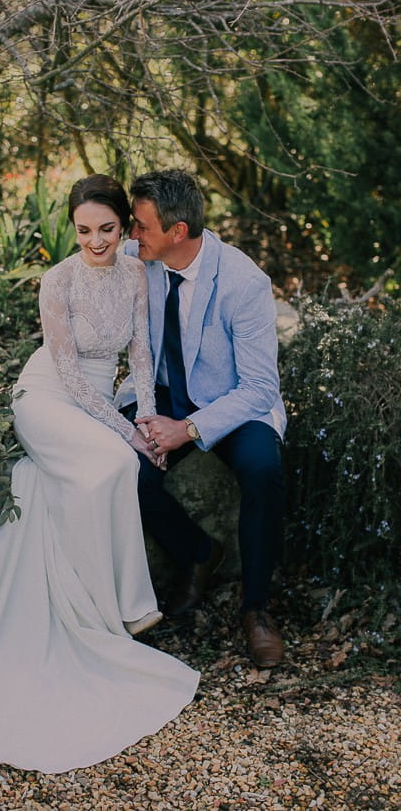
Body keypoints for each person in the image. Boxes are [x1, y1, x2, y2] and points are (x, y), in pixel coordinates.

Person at [0, 174, 199, 773]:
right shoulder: (59, 280)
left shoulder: (135, 275)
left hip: (103, 399)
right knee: (110, 464)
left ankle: (121, 607)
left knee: (116, 465)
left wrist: (148, 416)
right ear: (72, 229)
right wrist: (128, 434)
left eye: (106, 229)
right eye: (83, 230)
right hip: (47, 398)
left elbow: (141, 354)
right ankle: (111, 611)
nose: (95, 241)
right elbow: (70, 374)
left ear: (123, 227)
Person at [115, 169, 287, 668]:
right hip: (162, 392)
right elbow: (89, 263)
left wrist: (187, 430)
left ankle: (256, 609)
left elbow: (259, 388)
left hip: (232, 403)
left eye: (141, 227)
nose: (131, 235)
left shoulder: (244, 283)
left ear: (178, 232)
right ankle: (195, 552)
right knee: (121, 464)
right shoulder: (137, 259)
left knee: (263, 469)